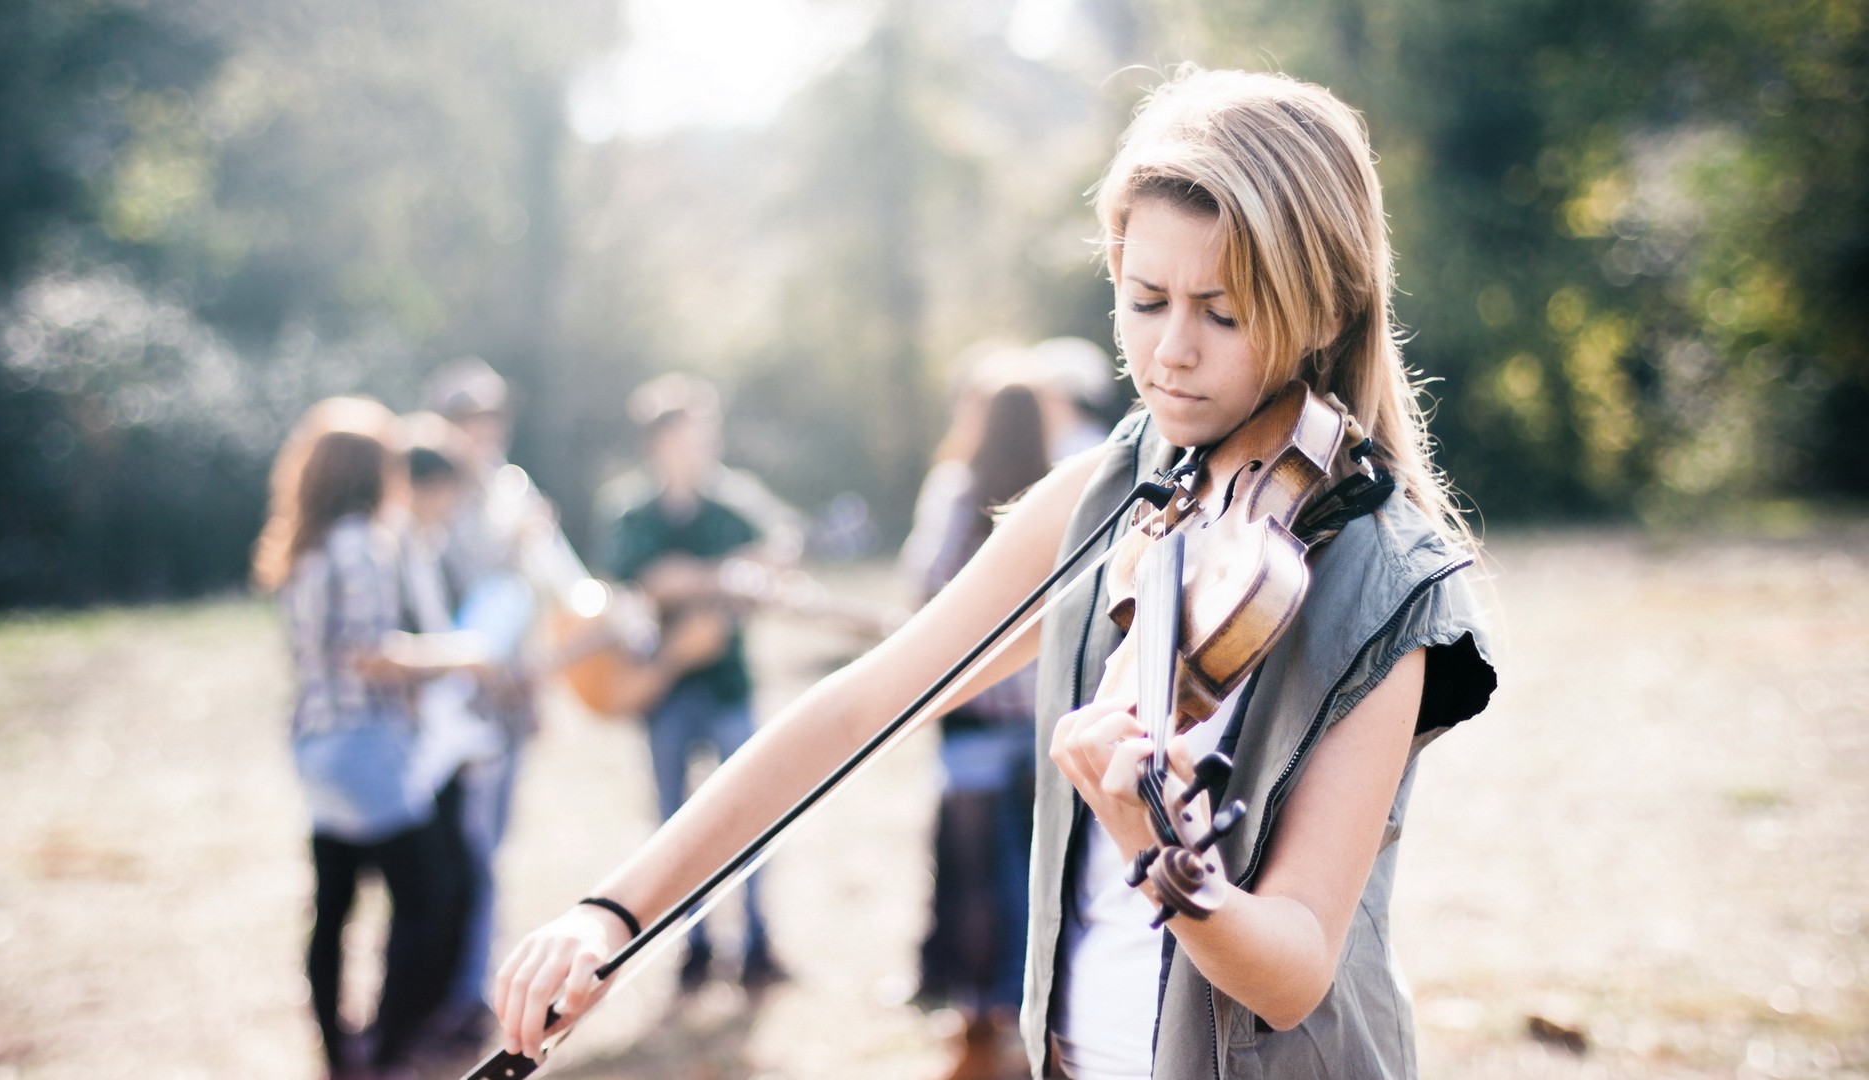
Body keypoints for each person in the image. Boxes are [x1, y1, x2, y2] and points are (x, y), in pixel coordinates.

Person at [492, 67, 1497, 1080]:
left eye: (1222, 314)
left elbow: (1293, 969)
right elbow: (859, 708)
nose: (1171, 354)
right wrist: (612, 911)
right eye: (1145, 301)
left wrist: (1158, 851)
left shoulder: (1380, 579)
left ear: (1323, 310)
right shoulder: (1105, 497)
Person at [253, 398, 495, 1078]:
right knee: (429, 895)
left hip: (313, 744)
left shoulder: (301, 540)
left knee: (333, 904)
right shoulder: (361, 542)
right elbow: (371, 653)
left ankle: (337, 1050)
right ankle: (390, 1049)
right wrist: (461, 655)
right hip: (367, 747)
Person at [599, 372, 804, 994]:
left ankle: (758, 943)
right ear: (659, 441)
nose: (699, 446)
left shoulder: (734, 502)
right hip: (663, 691)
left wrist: (717, 576)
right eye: (687, 435)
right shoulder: (632, 511)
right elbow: (647, 580)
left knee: (752, 817)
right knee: (673, 828)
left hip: (727, 685)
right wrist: (719, 576)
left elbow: (782, 547)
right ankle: (692, 945)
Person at [423, 359, 583, 1043]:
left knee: (485, 854)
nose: (483, 432)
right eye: (469, 418)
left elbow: (546, 593)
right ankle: (439, 989)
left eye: (491, 417)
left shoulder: (513, 489)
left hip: (507, 704)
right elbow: (457, 597)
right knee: (446, 857)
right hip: (446, 705)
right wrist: (506, 548)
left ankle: (469, 991)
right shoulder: (434, 494)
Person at [899, 380, 1054, 1079]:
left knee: (972, 884)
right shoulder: (1059, 493)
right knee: (1035, 883)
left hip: (973, 725)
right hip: (1043, 725)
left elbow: (924, 585)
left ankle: (978, 1022)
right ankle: (1032, 1024)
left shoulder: (959, 495)